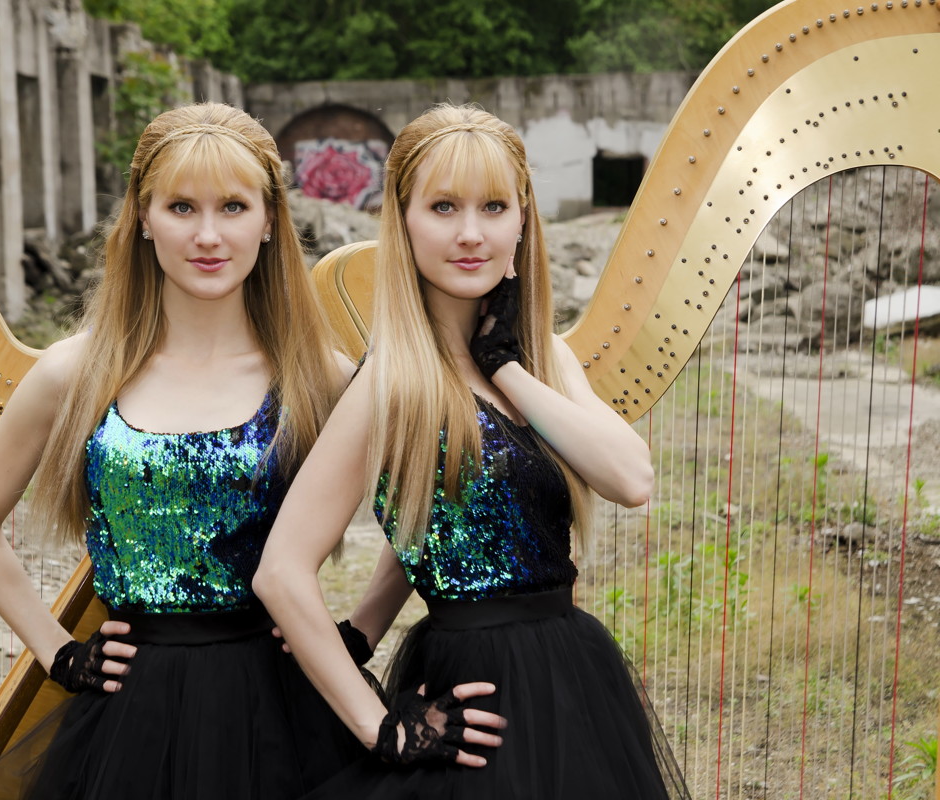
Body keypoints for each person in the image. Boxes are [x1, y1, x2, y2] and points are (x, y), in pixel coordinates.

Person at [253, 104, 690, 798]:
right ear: (403, 221)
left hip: (573, 676)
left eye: (493, 207)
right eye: (443, 207)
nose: (469, 233)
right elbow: (280, 573)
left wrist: (508, 366)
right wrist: (380, 726)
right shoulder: (390, 382)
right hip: (476, 685)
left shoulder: (543, 360)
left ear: (524, 220)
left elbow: (631, 477)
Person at [0, 102, 367, 799]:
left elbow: (427, 510)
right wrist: (58, 653)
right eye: (180, 207)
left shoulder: (320, 376)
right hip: (133, 711)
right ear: (143, 219)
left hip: (286, 706)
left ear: (269, 223)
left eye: (233, 207)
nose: (207, 235)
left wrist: (364, 630)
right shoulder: (74, 373)